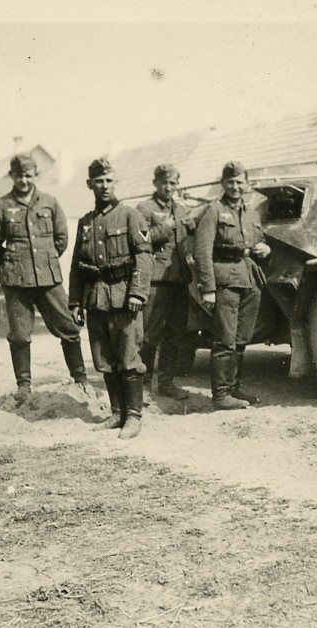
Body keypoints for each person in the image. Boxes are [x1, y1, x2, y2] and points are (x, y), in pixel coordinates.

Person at [0, 153, 88, 404]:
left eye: (28, 175)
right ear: (11, 176)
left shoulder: (50, 203)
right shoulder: (1, 206)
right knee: (20, 335)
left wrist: (45, 260)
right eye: (19, 176)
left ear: (36, 175)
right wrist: (9, 264)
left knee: (69, 329)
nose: (24, 180)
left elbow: (61, 239)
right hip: (16, 282)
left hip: (48, 279)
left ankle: (81, 379)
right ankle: (24, 386)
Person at [68, 158, 153, 439]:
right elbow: (77, 265)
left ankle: (134, 417)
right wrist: (75, 302)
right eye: (99, 181)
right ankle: (117, 413)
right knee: (104, 359)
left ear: (116, 182)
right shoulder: (85, 223)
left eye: (108, 180)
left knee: (129, 358)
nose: (104, 186)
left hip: (124, 297)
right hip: (96, 299)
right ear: (89, 184)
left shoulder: (130, 216)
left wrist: (137, 292)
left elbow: (144, 256)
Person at [193, 161, 271, 411]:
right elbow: (202, 251)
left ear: (247, 184)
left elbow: (258, 243)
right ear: (223, 184)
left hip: (249, 279)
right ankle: (221, 395)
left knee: (241, 339)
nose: (235, 187)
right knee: (224, 339)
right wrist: (208, 288)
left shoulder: (251, 213)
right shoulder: (213, 210)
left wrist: (266, 250)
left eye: (239, 182)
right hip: (225, 280)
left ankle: (233, 389)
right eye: (230, 182)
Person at [136, 164, 195, 401]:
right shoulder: (144, 208)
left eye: (173, 183)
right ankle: (143, 386)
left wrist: (191, 226)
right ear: (155, 183)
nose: (168, 187)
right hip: (157, 280)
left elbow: (190, 236)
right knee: (150, 334)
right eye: (164, 183)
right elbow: (140, 239)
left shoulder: (181, 209)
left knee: (174, 334)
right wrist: (165, 227)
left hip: (179, 278)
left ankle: (166, 383)